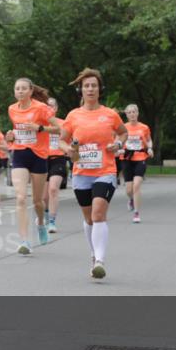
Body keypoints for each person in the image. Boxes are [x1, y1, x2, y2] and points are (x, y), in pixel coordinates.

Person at [59, 68, 127, 280]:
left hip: (105, 170)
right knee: (89, 219)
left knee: (98, 213)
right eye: (87, 86)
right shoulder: (73, 116)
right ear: (81, 90)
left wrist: (118, 144)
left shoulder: (110, 114)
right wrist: (67, 149)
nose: (90, 89)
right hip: (81, 173)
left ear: (100, 90)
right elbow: (62, 140)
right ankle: (93, 252)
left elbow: (124, 133)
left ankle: (100, 261)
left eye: (94, 86)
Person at [6, 78, 61, 254]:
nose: (20, 91)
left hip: (39, 156)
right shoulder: (12, 109)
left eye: (23, 88)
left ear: (30, 91)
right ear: (14, 92)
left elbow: (59, 129)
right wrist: (10, 136)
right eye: (17, 89)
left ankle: (41, 224)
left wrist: (40, 128)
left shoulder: (41, 108)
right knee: (21, 197)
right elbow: (16, 130)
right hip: (20, 154)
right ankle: (24, 241)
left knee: (37, 201)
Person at [121, 104, 153, 224]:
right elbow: (117, 141)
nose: (132, 114)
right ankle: (131, 199)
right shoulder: (123, 128)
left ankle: (136, 213)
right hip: (126, 158)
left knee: (137, 185)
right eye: (129, 112)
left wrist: (150, 148)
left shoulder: (144, 127)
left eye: (134, 111)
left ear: (137, 113)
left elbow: (149, 140)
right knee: (129, 189)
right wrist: (117, 149)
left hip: (140, 157)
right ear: (126, 115)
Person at [43, 97, 69, 234]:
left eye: (52, 106)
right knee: (43, 197)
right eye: (47, 106)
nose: (49, 109)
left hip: (58, 158)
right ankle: (46, 215)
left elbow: (71, 139)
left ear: (56, 108)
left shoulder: (63, 123)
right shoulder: (39, 123)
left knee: (53, 189)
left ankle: (52, 221)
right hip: (42, 160)